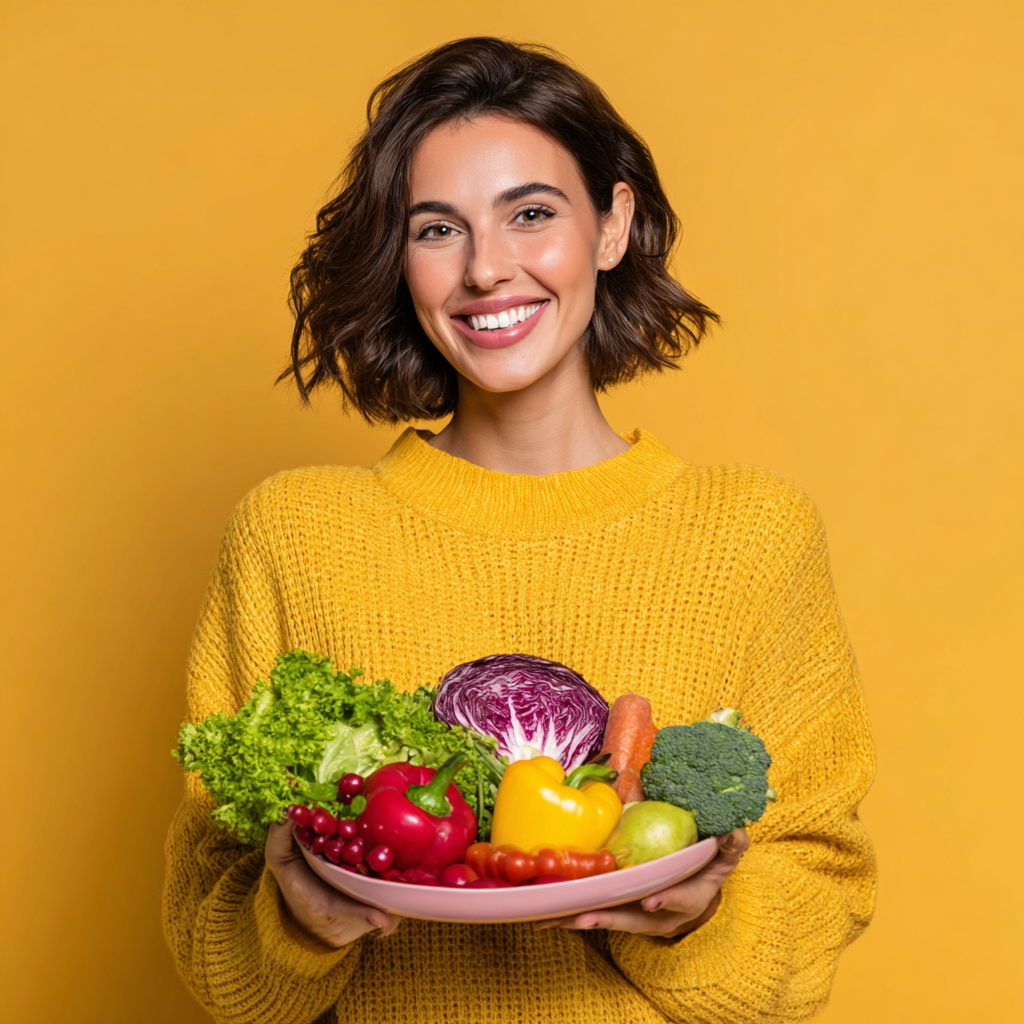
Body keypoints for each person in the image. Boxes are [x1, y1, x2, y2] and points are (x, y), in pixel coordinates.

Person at [163, 36, 876, 1024]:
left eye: (530, 215)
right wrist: (297, 923)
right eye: (436, 229)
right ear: (399, 259)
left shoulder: (752, 534)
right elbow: (214, 934)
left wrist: (696, 924)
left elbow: (815, 894)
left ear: (611, 225)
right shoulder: (294, 534)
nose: (486, 269)